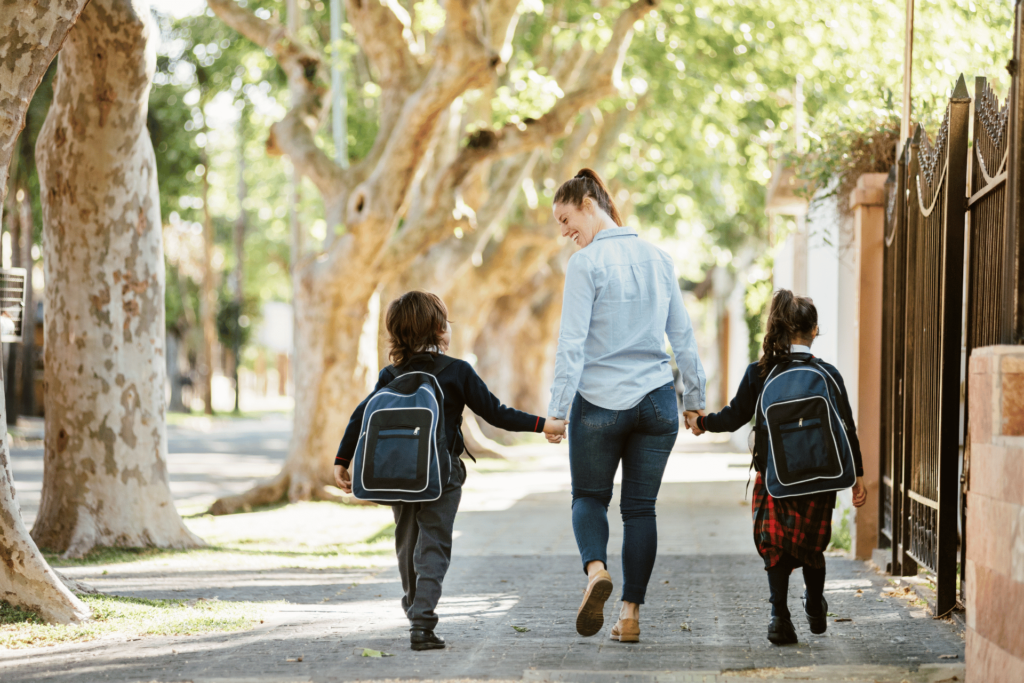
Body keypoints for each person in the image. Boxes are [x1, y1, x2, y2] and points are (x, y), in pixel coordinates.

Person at [334, 291, 567, 651]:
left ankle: (414, 611)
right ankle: (422, 623)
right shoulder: (457, 371)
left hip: (399, 474)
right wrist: (543, 425)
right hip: (441, 475)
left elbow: (360, 415)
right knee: (434, 545)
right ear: (440, 329)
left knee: (406, 542)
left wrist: (341, 460)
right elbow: (497, 413)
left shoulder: (391, 374)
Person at [546, 169, 706, 643]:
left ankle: (596, 571)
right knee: (641, 511)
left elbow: (571, 344)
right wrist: (694, 400)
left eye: (565, 217)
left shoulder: (586, 263)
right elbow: (683, 336)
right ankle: (630, 614)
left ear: (588, 202)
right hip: (656, 400)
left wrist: (557, 410)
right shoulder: (659, 257)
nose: (564, 231)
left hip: (597, 404)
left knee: (589, 498)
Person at [687, 289, 868, 645]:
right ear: (814, 330)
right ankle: (815, 605)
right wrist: (857, 476)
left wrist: (702, 423)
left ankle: (779, 616)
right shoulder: (828, 374)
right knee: (812, 546)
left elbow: (735, 416)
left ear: (779, 328)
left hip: (775, 477)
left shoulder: (761, 372)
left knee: (776, 545)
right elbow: (847, 428)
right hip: (820, 478)